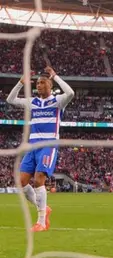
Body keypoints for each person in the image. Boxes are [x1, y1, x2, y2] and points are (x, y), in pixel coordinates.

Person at [6, 66, 75, 232]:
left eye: (42, 82)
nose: (39, 85)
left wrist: (56, 76)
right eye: (37, 83)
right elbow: (10, 100)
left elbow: (71, 93)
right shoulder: (33, 102)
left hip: (49, 144)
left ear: (50, 85)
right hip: (32, 146)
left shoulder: (58, 101)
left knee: (38, 180)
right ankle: (45, 208)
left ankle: (41, 222)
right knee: (21, 182)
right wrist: (20, 84)